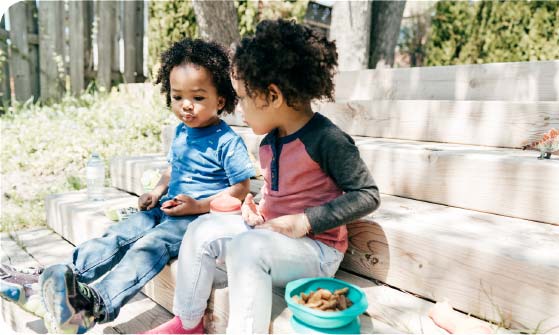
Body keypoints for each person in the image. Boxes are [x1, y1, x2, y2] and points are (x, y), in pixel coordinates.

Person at [1, 38, 256, 334]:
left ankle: (93, 306)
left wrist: (198, 206)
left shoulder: (227, 141)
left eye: (198, 98)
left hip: (197, 221)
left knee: (147, 247)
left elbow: (241, 188)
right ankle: (59, 278)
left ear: (220, 100)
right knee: (117, 235)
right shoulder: (182, 132)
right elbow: (173, 168)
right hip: (166, 208)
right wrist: (156, 192)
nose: (186, 106)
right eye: (177, 97)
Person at [144, 19, 380, 334]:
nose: (238, 109)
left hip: (316, 250)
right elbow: (276, 196)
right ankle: (188, 323)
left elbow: (367, 194)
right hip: (271, 239)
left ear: (272, 96)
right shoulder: (270, 141)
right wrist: (256, 210)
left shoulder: (327, 139)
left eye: (242, 98)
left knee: (247, 248)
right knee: (202, 229)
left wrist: (306, 220)